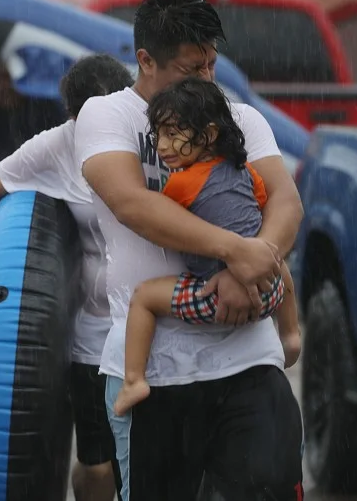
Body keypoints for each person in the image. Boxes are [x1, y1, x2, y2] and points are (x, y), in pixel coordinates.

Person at [74, 0, 306, 501]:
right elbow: (133, 204)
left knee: (270, 490)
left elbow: (286, 201)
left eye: (210, 65)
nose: (205, 79)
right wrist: (233, 251)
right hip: (154, 369)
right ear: (146, 61)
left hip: (248, 360)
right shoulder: (107, 116)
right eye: (190, 69)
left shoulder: (238, 119)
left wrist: (253, 264)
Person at [0, 54, 134, 501]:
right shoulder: (59, 144)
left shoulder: (151, 136)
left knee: (147, 460)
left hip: (154, 329)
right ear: (73, 116)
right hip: (93, 339)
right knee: (98, 467)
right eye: (90, 122)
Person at [113, 77, 302, 416]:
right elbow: (261, 199)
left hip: (215, 297)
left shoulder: (180, 184)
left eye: (173, 134)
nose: (163, 146)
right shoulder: (244, 169)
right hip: (268, 288)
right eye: (158, 136)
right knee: (275, 258)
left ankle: (133, 380)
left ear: (209, 134)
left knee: (143, 298)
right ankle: (290, 333)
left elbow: (164, 223)